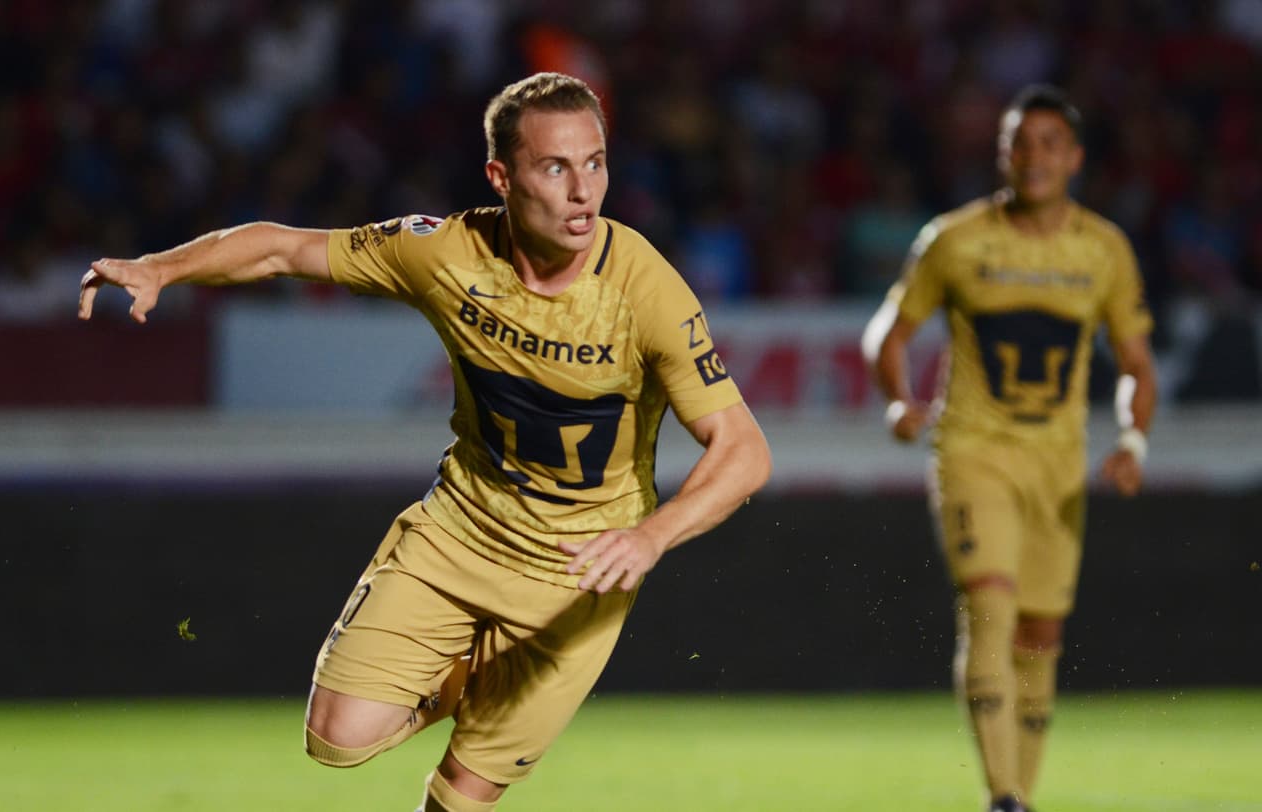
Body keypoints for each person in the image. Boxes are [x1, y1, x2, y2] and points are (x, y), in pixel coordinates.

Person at [79, 72, 772, 812]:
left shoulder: (646, 290)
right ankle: (482, 676)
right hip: (459, 534)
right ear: (501, 177)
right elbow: (282, 250)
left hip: (579, 574)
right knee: (337, 738)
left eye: (595, 162)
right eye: (555, 167)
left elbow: (744, 451)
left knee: (459, 802)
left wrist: (650, 537)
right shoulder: (444, 253)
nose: (583, 191)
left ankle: (497, 690)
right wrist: (162, 268)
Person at [861, 84, 1156, 812]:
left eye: (1049, 143)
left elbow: (1137, 366)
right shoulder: (956, 240)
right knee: (990, 606)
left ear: (1076, 157)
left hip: (1057, 464)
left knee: (1040, 634)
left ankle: (1020, 794)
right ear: (1002, 155)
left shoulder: (1104, 250)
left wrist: (1132, 439)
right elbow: (887, 333)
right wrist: (899, 399)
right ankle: (1003, 797)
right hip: (974, 450)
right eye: (1019, 143)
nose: (1033, 157)